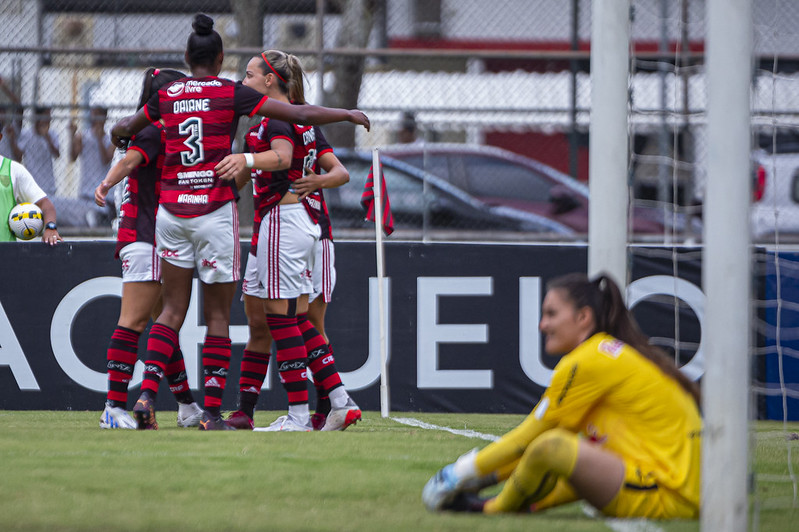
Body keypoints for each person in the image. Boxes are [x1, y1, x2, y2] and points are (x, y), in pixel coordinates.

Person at [109, 13, 369, 431]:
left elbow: (129, 127)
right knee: (236, 316)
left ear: (186, 55)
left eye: (251, 73)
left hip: (178, 212)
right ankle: (219, 411)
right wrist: (344, 114)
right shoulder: (232, 95)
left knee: (177, 310)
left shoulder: (172, 93)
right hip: (220, 213)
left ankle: (147, 394)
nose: (244, 77)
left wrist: (118, 135)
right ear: (220, 56)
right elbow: (303, 116)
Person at [422, 272, 702, 520]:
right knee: (567, 448)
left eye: (552, 314)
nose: (542, 325)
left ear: (583, 317)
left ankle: (491, 510)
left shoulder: (589, 359)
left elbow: (528, 439)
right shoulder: (608, 353)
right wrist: (483, 480)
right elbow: (559, 465)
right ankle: (498, 505)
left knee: (553, 443)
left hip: (665, 493)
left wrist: (456, 475)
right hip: (679, 493)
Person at [215, 49, 360, 432]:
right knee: (270, 320)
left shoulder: (278, 121)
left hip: (287, 221)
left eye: (248, 75)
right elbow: (253, 175)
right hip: (279, 224)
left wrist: (245, 160)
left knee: (289, 319)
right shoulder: (272, 121)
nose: (241, 82)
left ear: (269, 80)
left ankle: (310, 411)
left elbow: (281, 159)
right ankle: (327, 403)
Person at [95, 68, 204, 430]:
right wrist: (107, 183)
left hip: (143, 235)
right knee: (134, 322)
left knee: (163, 326)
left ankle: (187, 405)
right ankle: (113, 407)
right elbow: (130, 161)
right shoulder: (155, 129)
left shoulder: (143, 128)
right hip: (147, 236)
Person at [0, 117, 62, 245]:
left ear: (0, 137)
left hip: (5, 256)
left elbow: (46, 205)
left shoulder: (13, 169)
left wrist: (50, 228)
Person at [70, 106, 116, 226]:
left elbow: (106, 159)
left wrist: (99, 139)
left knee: (102, 227)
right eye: (93, 115)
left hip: (105, 195)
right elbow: (73, 156)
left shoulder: (110, 139)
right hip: (86, 192)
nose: (94, 119)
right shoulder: (83, 136)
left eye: (98, 116)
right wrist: (72, 136)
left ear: (104, 118)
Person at [14, 106, 60, 196]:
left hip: (48, 186)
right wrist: (12, 139)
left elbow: (57, 154)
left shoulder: (52, 134)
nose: (49, 120)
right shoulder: (27, 134)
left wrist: (47, 136)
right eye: (46, 117)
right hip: (31, 184)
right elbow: (18, 155)